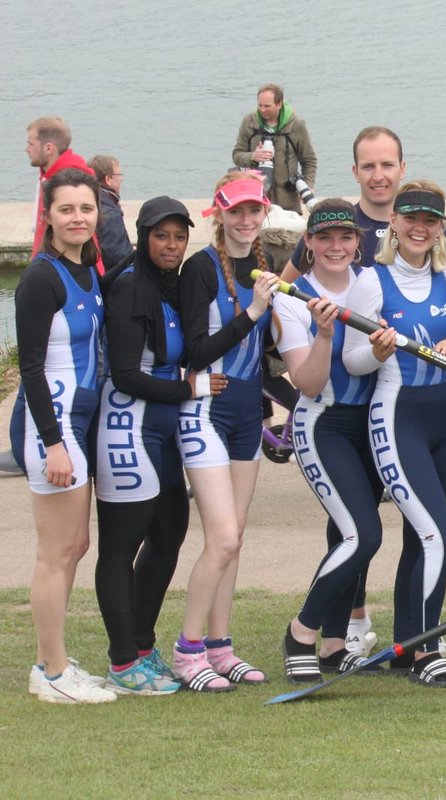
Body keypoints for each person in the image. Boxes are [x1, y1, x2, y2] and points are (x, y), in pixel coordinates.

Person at [344, 183, 446, 687]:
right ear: (394, 224)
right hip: (397, 416)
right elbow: (352, 361)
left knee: (420, 540)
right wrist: (377, 352)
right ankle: (427, 652)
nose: (420, 227)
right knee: (438, 534)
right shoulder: (372, 282)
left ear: (440, 228)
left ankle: (406, 645)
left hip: (445, 416)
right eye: (410, 218)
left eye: (430, 220)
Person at [94, 197, 220, 695]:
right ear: (144, 237)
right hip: (128, 426)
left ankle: (143, 647)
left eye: (179, 237)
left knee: (169, 534)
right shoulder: (129, 288)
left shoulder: (171, 286)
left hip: (165, 428)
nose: (171, 246)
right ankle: (123, 662)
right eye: (161, 236)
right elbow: (126, 375)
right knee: (120, 547)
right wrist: (190, 390)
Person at [173, 173, 279, 692]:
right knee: (223, 538)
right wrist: (256, 309)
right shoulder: (200, 268)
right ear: (218, 213)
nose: (244, 220)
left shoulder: (264, 267)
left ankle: (221, 647)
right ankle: (187, 650)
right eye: (235, 211)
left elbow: (270, 352)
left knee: (235, 541)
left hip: (246, 417)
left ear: (264, 215)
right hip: (205, 413)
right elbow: (197, 352)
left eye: (253, 211)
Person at [12, 168, 114, 703]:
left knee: (76, 544)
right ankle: (51, 674)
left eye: (86, 208)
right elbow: (30, 367)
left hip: (79, 421)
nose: (78, 218)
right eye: (66, 209)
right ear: (48, 215)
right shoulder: (41, 278)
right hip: (52, 423)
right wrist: (52, 442)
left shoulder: (87, 266)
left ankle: (55, 662)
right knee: (55, 552)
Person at [276, 199, 388, 682]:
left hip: (374, 423)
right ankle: (301, 632)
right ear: (309, 244)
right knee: (364, 535)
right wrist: (324, 334)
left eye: (345, 238)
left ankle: (336, 644)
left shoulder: (372, 283)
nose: (335, 247)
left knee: (345, 534)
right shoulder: (291, 296)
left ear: (358, 243)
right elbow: (307, 383)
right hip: (323, 424)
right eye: (324, 238)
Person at [280, 125, 446, 287]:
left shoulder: (434, 233)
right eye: (368, 167)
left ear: (402, 169)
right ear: (356, 172)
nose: (378, 176)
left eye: (387, 165)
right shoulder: (334, 226)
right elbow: (283, 290)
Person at [231, 84, 317, 213]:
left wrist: (308, 185)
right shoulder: (249, 122)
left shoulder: (296, 125)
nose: (262, 110)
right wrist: (253, 157)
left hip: (288, 202)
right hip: (256, 199)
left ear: (279, 104)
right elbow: (237, 155)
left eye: (267, 106)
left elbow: (309, 160)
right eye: (260, 105)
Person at [24, 117, 93, 255]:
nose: (26, 149)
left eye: (31, 144)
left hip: (61, 265)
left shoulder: (70, 184)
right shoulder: (48, 177)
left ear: (48, 148)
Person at [88, 154, 133, 269]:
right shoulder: (111, 214)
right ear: (108, 179)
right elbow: (118, 257)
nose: (121, 178)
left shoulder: (89, 202)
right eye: (119, 174)